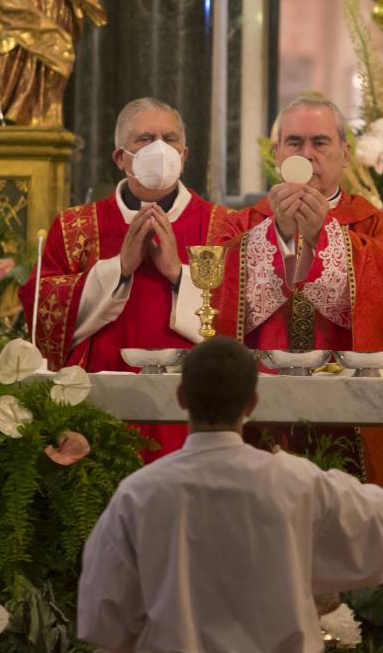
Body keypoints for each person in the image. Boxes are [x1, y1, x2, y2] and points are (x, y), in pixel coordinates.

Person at [77, 337, 383, 653]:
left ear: (180, 396)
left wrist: (168, 652)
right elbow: (376, 526)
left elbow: (102, 615)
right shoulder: (294, 481)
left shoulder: (141, 492)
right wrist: (306, 573)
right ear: (252, 403)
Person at [209, 94, 383, 574]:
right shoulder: (240, 226)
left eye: (320, 142)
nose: (306, 156)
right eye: (294, 142)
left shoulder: (379, 227)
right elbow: (216, 311)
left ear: (345, 154)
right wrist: (279, 238)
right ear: (275, 151)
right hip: (262, 418)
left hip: (354, 423)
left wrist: (322, 237)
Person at [19, 98, 231, 462]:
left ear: (184, 154)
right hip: (96, 406)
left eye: (170, 139)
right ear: (120, 158)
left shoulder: (224, 225)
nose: (159, 149)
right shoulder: (75, 227)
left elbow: (242, 318)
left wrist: (177, 273)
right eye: (145, 139)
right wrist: (118, 268)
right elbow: (42, 310)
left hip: (192, 408)